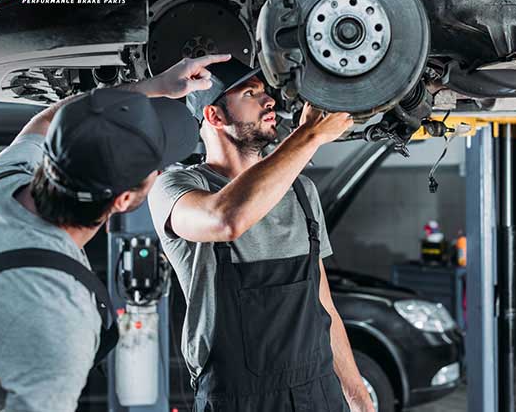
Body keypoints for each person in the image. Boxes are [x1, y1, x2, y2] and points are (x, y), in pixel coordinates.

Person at [0, 54, 230, 412]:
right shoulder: (58, 319)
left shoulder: (2, 184)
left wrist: (149, 89)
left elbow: (47, 119)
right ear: (124, 200)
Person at [148, 59, 375, 411]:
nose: (269, 101)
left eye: (265, 92)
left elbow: (323, 305)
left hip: (317, 392)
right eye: (250, 94)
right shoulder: (176, 187)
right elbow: (226, 220)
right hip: (238, 399)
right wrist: (309, 134)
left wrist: (358, 397)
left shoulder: (302, 191)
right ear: (215, 117)